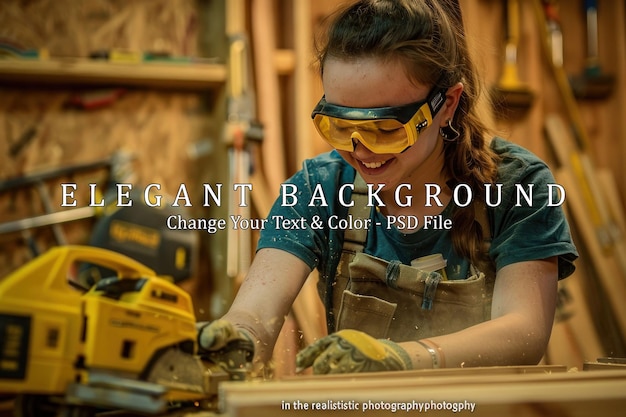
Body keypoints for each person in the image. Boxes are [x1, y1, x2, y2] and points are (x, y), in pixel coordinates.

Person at [197, 0, 578, 374]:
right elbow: (257, 314)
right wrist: (239, 338)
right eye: (341, 126)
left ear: (446, 104)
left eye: (386, 129)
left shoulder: (518, 185)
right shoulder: (321, 188)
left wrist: (407, 358)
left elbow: (524, 332)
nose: (359, 149)